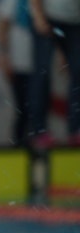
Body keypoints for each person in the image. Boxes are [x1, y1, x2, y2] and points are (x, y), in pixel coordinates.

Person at [30, 0, 80, 142]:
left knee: (78, 73)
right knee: (42, 73)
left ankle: (75, 129)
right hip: (48, 16)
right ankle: (39, 130)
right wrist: (38, 15)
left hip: (74, 20)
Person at [0, 0, 36, 143]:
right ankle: (19, 141)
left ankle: (33, 141)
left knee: (35, 107)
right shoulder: (12, 2)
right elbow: (2, 28)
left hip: (37, 64)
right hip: (18, 63)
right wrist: (6, 58)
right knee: (23, 107)